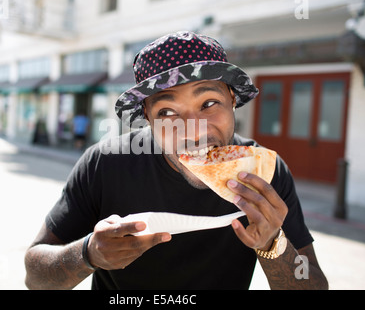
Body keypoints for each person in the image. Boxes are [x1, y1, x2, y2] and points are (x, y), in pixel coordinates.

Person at [24, 31, 328, 290]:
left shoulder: (265, 172)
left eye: (209, 103)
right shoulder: (105, 163)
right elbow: (34, 276)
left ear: (233, 100)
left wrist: (274, 244)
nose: (193, 131)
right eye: (168, 113)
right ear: (148, 119)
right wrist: (89, 253)